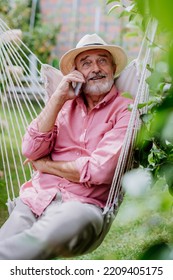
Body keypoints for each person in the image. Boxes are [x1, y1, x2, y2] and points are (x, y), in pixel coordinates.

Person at [0, 33, 132, 259]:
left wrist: (45, 166)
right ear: (77, 73)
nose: (96, 68)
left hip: (83, 205)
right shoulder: (62, 105)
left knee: (19, 250)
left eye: (102, 60)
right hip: (36, 199)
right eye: (86, 63)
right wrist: (59, 97)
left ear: (113, 68)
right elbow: (30, 150)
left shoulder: (125, 109)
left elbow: (100, 170)